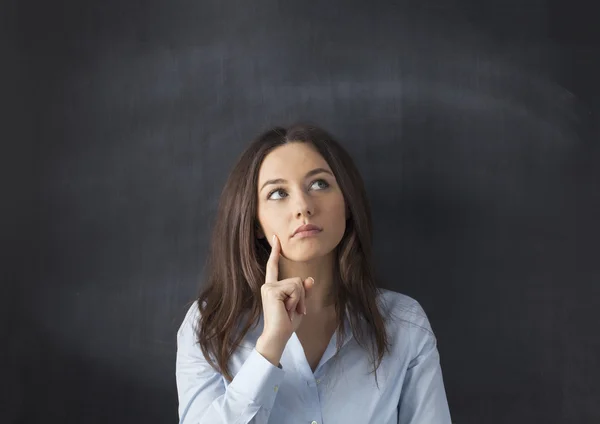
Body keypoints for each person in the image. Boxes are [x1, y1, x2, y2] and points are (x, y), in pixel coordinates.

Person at [176, 123, 452, 423]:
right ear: (255, 222)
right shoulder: (210, 326)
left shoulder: (404, 324)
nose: (303, 207)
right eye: (279, 193)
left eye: (319, 184)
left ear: (347, 203)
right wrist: (269, 347)